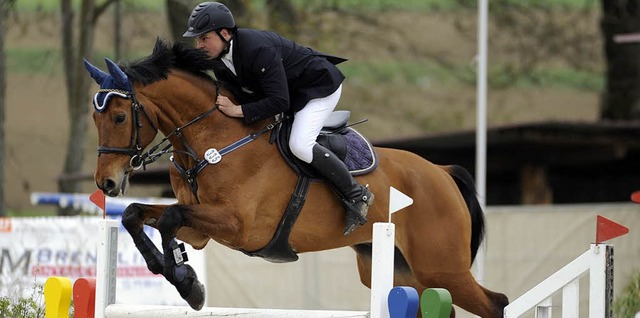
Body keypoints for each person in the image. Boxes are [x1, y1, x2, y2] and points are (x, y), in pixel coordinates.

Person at [183, 2, 374, 235]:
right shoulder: (218, 56)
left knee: (300, 145)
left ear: (224, 33)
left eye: (204, 38)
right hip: (289, 92)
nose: (199, 45)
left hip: (317, 88)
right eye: (197, 40)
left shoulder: (256, 49)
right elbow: (241, 92)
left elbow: (279, 102)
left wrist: (238, 111)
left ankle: (357, 195)